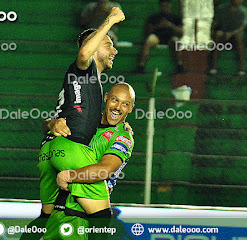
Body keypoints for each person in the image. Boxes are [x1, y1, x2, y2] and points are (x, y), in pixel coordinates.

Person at [19, 7, 125, 240]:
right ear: (95, 46)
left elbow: (61, 117)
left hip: (48, 150)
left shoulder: (86, 83)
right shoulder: (86, 71)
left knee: (45, 218)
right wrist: (110, 20)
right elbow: (85, 53)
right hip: (70, 148)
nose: (114, 50)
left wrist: (51, 124)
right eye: (108, 45)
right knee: (102, 217)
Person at [44, 83, 135, 240]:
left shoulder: (123, 137)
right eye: (115, 100)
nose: (118, 107)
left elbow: (105, 170)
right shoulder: (85, 121)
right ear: (105, 98)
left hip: (84, 215)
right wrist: (53, 123)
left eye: (125, 104)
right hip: (58, 209)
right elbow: (47, 127)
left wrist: (68, 176)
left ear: (131, 108)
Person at [136, 0, 183, 74]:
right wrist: (158, 26)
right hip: (157, 36)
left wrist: (170, 26)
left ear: (170, 5)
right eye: (163, 5)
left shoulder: (175, 17)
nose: (165, 7)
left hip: (171, 37)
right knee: (148, 41)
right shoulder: (154, 17)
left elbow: (181, 32)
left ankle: (179, 65)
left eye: (166, 5)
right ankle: (141, 65)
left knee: (176, 42)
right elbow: (147, 32)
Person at [209, 0, 247, 76]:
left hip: (235, 36)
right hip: (223, 34)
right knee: (217, 36)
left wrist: (231, 33)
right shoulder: (222, 9)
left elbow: (242, 27)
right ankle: (214, 67)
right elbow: (216, 23)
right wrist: (213, 32)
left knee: (239, 38)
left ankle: (241, 69)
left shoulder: (243, 11)